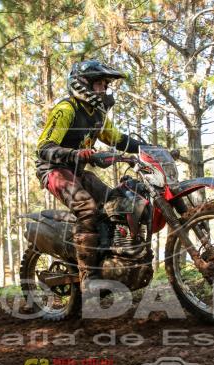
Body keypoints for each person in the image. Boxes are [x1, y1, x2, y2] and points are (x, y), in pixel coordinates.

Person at [35, 59, 142, 292]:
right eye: (100, 84)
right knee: (87, 207)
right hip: (53, 170)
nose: (104, 89)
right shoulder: (67, 110)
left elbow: (118, 139)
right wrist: (76, 154)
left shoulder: (97, 115)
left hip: (77, 171)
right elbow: (44, 147)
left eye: (106, 85)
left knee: (116, 202)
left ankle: (110, 258)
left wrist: (149, 148)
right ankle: (88, 278)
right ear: (83, 84)